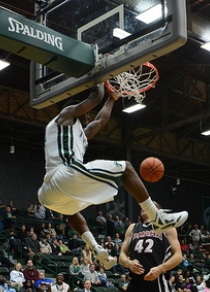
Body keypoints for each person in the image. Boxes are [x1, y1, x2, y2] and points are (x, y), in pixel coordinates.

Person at [38, 83, 188, 271]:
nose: (89, 115)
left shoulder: (78, 136)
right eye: (86, 113)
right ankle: (156, 217)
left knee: (70, 210)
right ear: (79, 110)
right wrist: (101, 77)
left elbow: (100, 121)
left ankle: (96, 248)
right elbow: (94, 98)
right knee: (126, 168)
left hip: (49, 194)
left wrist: (112, 99)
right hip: (65, 174)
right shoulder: (65, 115)